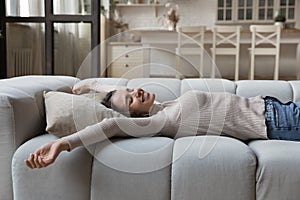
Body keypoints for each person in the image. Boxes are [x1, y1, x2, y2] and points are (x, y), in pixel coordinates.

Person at [25, 88, 300, 169]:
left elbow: (111, 102)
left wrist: (87, 88)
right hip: (278, 122)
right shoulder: (161, 122)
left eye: (131, 89)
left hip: (274, 107)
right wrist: (62, 144)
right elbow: (111, 122)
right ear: (134, 116)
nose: (137, 92)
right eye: (131, 99)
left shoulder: (166, 107)